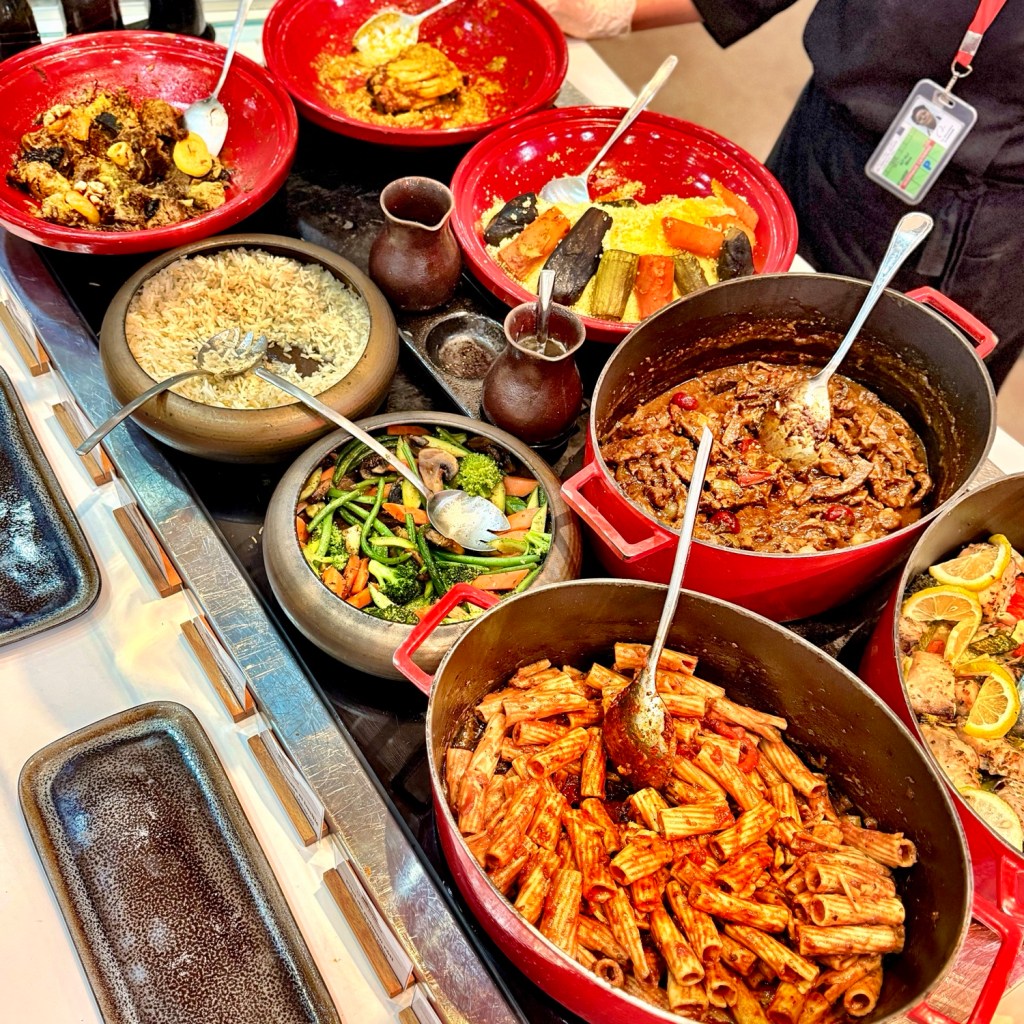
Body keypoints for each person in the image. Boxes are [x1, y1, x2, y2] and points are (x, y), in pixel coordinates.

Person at [537, 0, 1024, 392]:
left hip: (984, 223)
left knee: (898, 384)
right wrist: (618, 11)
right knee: (743, 307)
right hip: (826, 136)